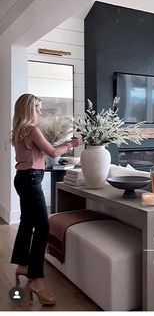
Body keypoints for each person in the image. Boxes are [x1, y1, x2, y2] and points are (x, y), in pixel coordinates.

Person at [10, 93, 80, 305]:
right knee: (43, 226)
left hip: (22, 178)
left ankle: (22, 264)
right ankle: (37, 280)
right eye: (38, 107)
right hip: (31, 179)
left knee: (27, 222)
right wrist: (70, 143)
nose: (41, 110)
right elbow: (52, 152)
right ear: (29, 108)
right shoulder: (32, 129)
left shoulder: (18, 131)